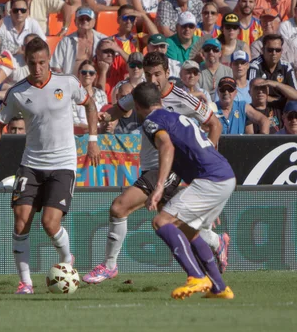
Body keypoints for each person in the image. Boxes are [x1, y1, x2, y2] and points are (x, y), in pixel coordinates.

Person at [83, 51, 228, 284]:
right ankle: (214, 242)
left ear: (168, 73)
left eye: (158, 74)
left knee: (119, 207)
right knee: (180, 225)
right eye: (148, 74)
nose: (153, 80)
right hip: (150, 166)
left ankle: (109, 266)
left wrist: (204, 165)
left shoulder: (184, 98)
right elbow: (116, 111)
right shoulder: (142, 94)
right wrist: (103, 116)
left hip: (171, 168)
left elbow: (214, 124)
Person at [0, 37, 101, 294]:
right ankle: (25, 282)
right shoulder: (18, 92)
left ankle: (67, 259)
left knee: (49, 223)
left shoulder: (67, 83)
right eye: (33, 63)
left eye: (42, 63)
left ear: (49, 61)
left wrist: (93, 139)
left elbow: (90, 104)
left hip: (63, 164)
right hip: (31, 164)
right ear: (26, 62)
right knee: (20, 220)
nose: (38, 68)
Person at [133, 81, 235, 299]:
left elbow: (166, 146)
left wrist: (159, 187)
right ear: (160, 100)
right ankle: (219, 287)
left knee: (161, 221)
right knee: (188, 230)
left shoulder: (151, 121)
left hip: (211, 179)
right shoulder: (177, 117)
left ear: (137, 106)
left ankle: (196, 277)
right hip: (224, 175)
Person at [50, 6, 107, 76]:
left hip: (96, 83)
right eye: (81, 19)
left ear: (94, 21)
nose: (85, 21)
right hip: (71, 82)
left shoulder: (103, 40)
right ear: (75, 22)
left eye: (88, 19)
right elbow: (55, 65)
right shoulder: (66, 41)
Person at [248, 34, 297, 101]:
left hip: (283, 106)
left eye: (278, 50)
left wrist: (276, 84)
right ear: (263, 50)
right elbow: (253, 95)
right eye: (270, 50)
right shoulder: (255, 66)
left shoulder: (287, 66)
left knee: (295, 105)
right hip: (263, 106)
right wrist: (279, 101)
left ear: (282, 51)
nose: (274, 53)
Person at [74, 60, 107, 134]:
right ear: (79, 74)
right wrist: (92, 129)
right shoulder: (73, 95)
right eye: (84, 72)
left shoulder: (101, 94)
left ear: (95, 76)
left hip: (100, 134)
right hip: (81, 135)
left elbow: (105, 115)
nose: (87, 75)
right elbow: (74, 121)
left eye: (91, 73)